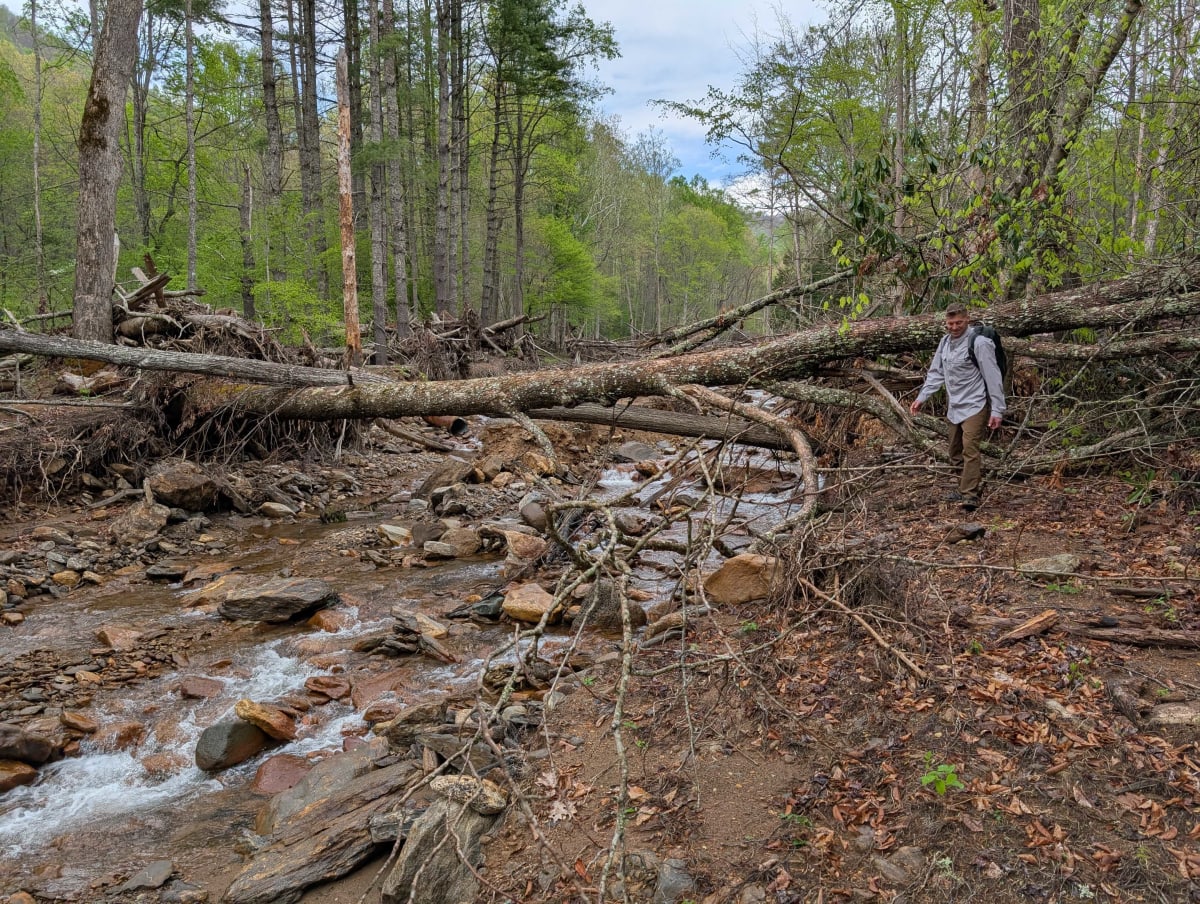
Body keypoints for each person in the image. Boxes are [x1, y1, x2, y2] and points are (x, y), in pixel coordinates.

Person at [909, 302, 1006, 510]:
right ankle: (963, 487)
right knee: (954, 450)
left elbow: (993, 376)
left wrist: (997, 409)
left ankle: (970, 495)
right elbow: (936, 373)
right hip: (954, 405)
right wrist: (922, 397)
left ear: (967, 320)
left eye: (959, 323)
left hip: (975, 404)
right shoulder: (944, 343)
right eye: (950, 323)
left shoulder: (979, 343)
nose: (954, 327)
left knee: (970, 449)